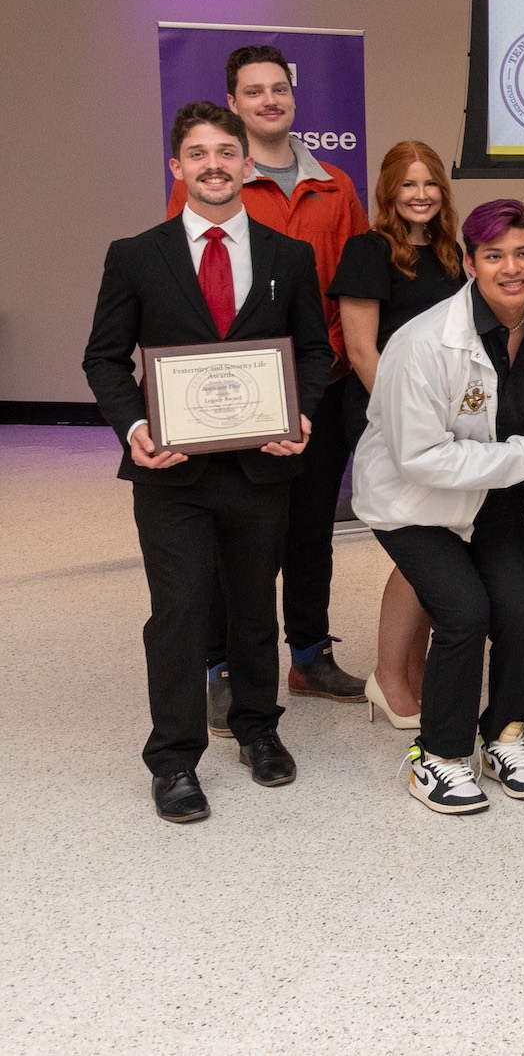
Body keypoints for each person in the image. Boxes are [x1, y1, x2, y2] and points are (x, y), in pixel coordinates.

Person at [83, 101, 331, 823]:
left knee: (256, 607)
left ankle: (258, 729)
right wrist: (132, 423)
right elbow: (103, 357)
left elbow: (312, 349)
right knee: (182, 610)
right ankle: (173, 760)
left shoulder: (290, 256)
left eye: (227, 152)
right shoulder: (136, 254)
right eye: (199, 154)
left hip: (261, 466)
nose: (215, 165)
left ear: (247, 165)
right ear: (177, 167)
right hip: (172, 472)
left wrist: (303, 411)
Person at [352, 199, 524, 815]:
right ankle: (437, 756)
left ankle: (506, 733)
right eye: (494, 256)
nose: (511, 268)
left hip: (493, 494)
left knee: (519, 615)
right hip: (414, 501)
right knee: (464, 612)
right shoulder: (423, 342)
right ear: (469, 263)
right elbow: (421, 458)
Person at [167, 43, 370, 714]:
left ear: (293, 94)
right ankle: (221, 664)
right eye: (253, 92)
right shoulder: (214, 180)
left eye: (277, 89)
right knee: (240, 532)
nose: (268, 100)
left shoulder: (336, 185)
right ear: (233, 102)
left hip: (321, 383)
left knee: (312, 529)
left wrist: (339, 361)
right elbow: (187, 280)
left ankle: (310, 654)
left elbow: (356, 282)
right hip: (239, 395)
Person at [329, 141, 467, 730]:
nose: (420, 194)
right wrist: (409, 420)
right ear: (389, 191)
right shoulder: (367, 251)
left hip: (446, 423)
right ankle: (389, 678)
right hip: (390, 424)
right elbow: (362, 350)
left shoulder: (451, 253)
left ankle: (407, 672)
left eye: (430, 183)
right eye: (408, 184)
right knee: (418, 549)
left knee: (436, 544)